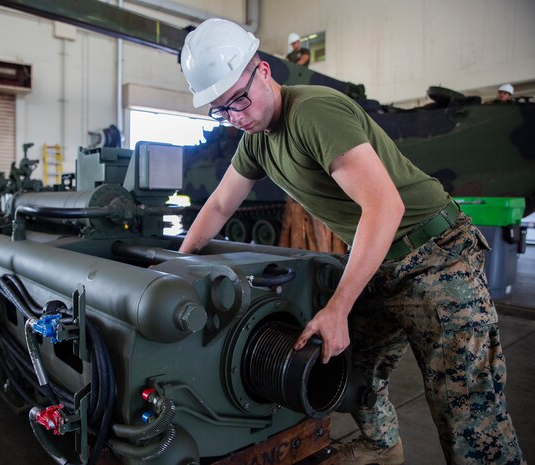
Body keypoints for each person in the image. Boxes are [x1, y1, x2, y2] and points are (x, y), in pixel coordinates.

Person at [179, 18, 524, 465]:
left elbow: (385, 207)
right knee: (349, 369)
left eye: (239, 99)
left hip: (436, 257)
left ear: (262, 71)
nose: (236, 116)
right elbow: (221, 205)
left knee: (467, 408)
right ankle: (382, 446)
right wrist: (178, 264)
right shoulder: (256, 142)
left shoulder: (313, 113)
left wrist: (338, 307)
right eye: (221, 110)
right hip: (382, 262)